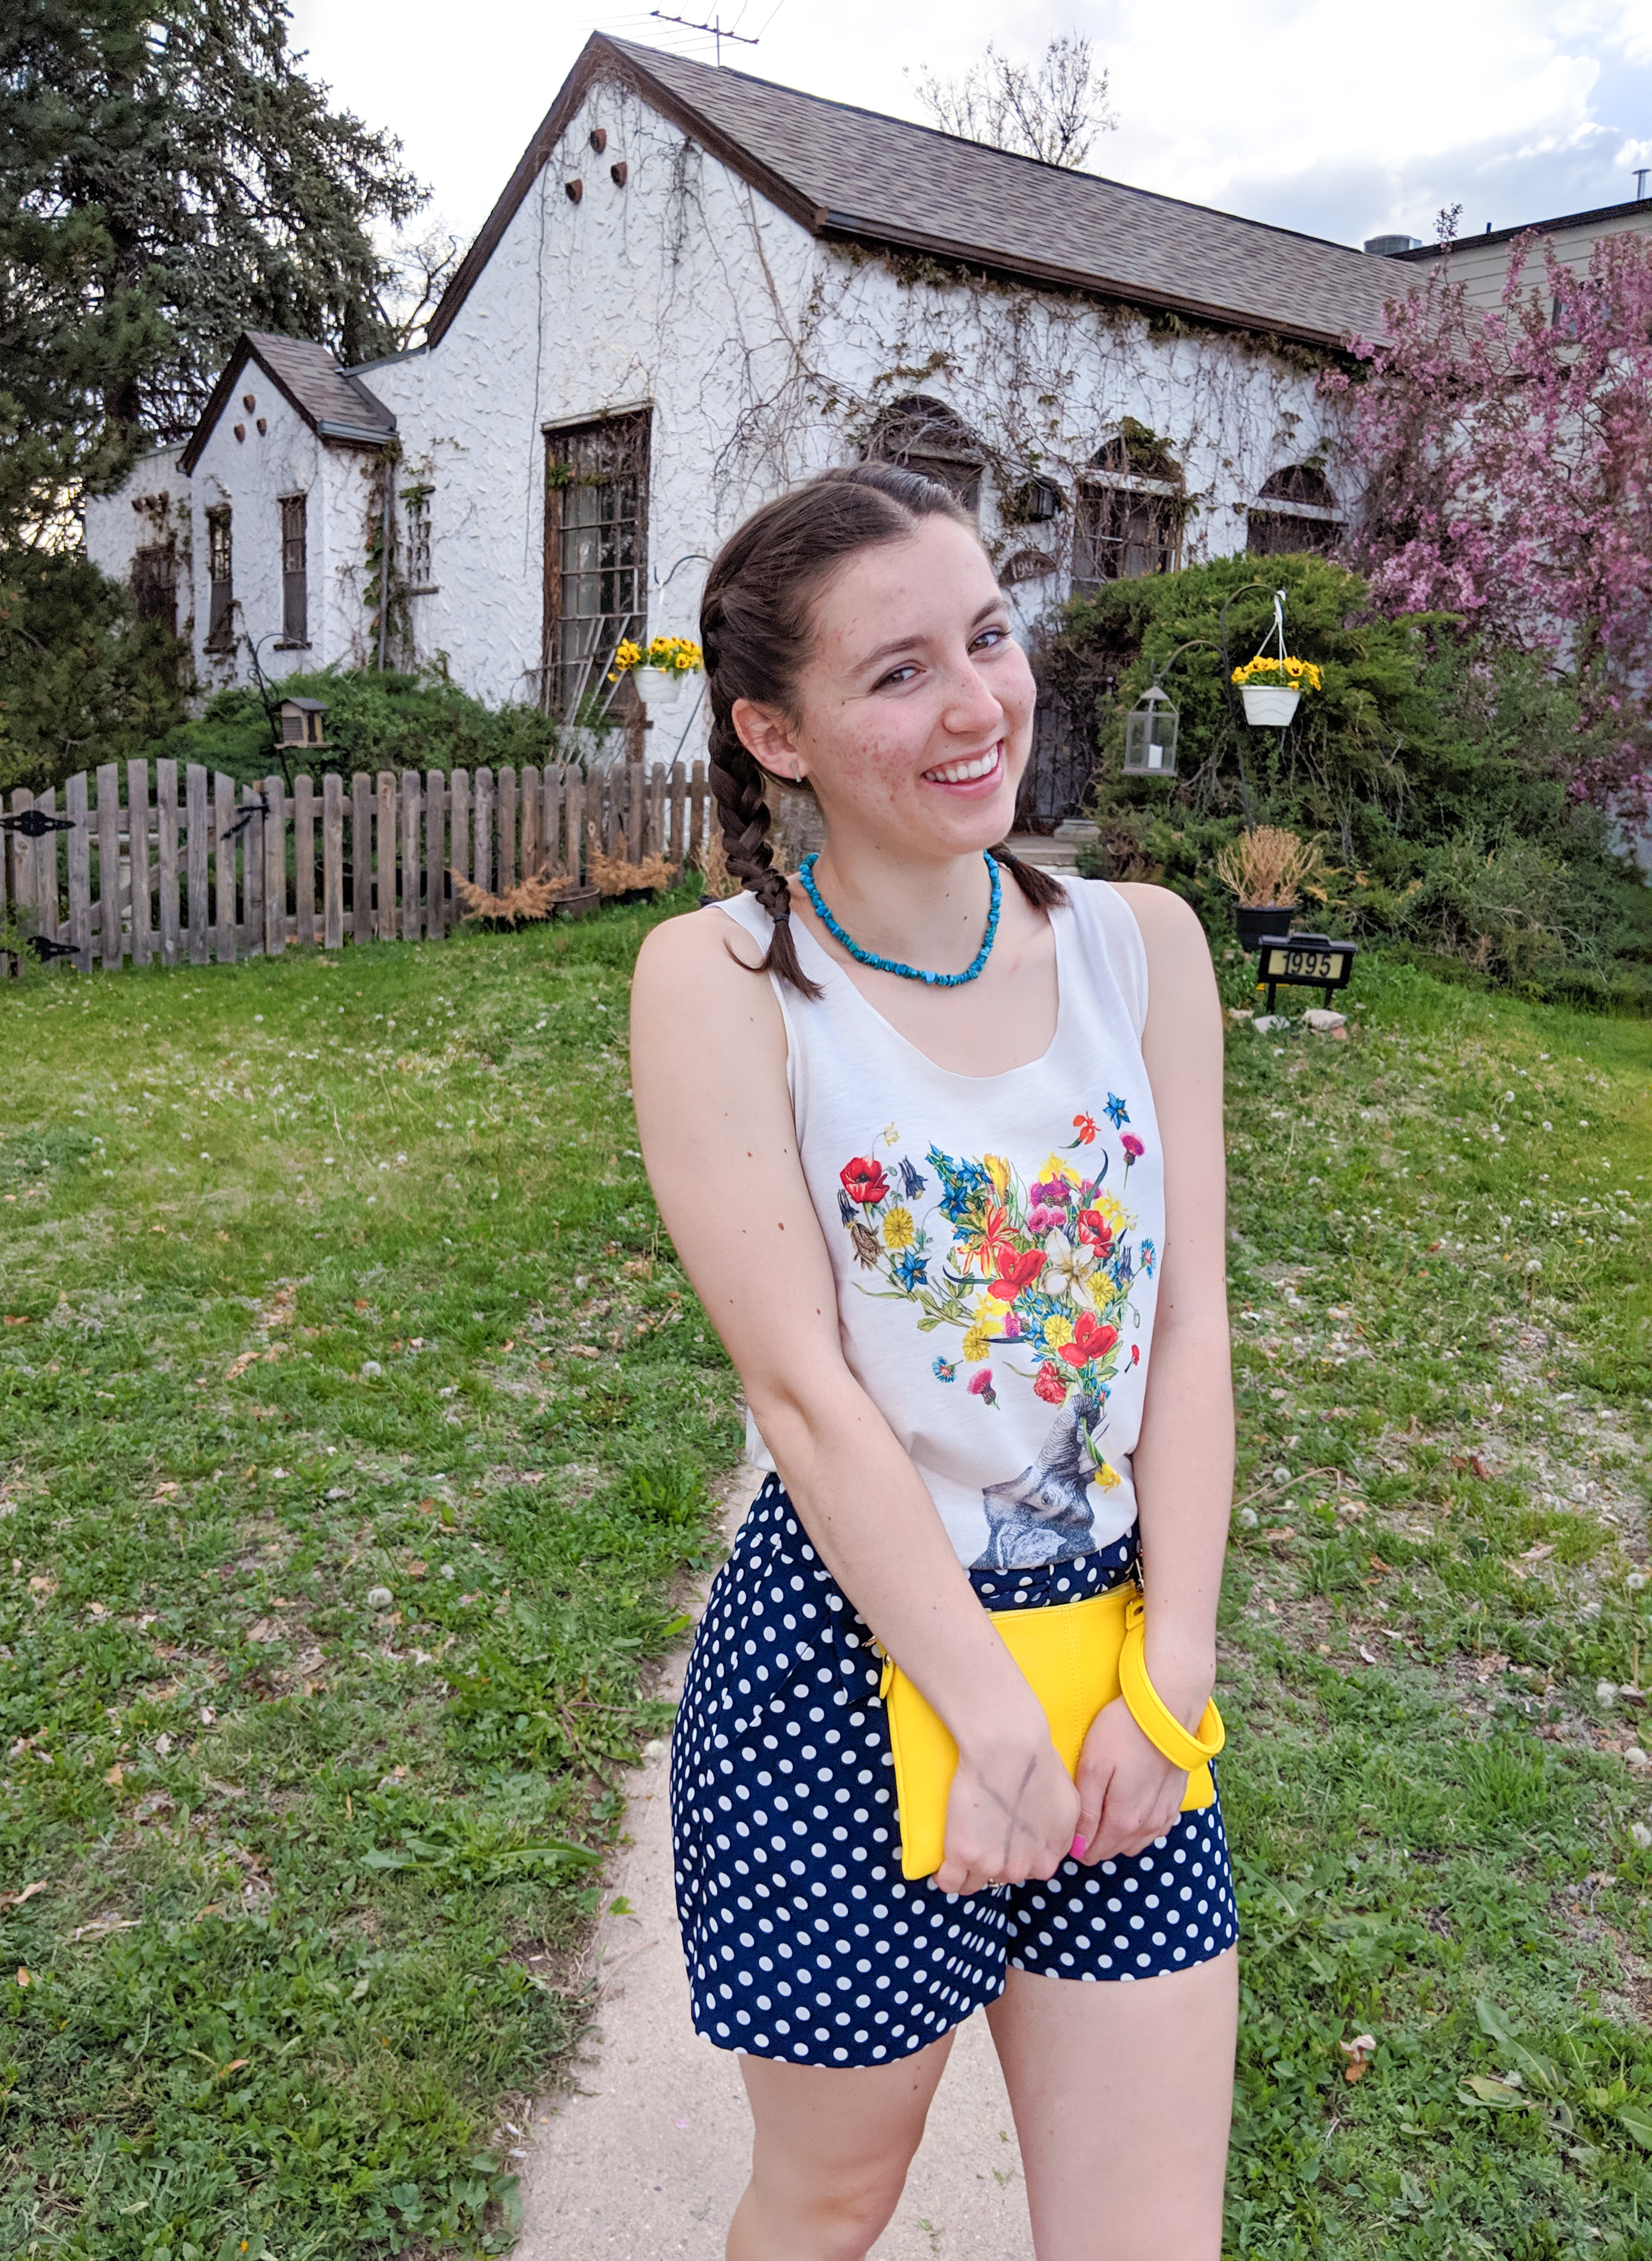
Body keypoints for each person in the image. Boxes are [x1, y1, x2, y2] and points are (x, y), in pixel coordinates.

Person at [629, 464, 1236, 2261]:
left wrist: (1171, 1677)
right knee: (829, 2202)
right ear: (776, 733)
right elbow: (805, 1398)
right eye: (898, 672)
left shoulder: (1142, 950)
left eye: (987, 636)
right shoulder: (721, 980)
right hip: (847, 1678)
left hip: (1115, 1667)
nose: (978, 704)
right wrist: (982, 1715)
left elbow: (1187, 1326)